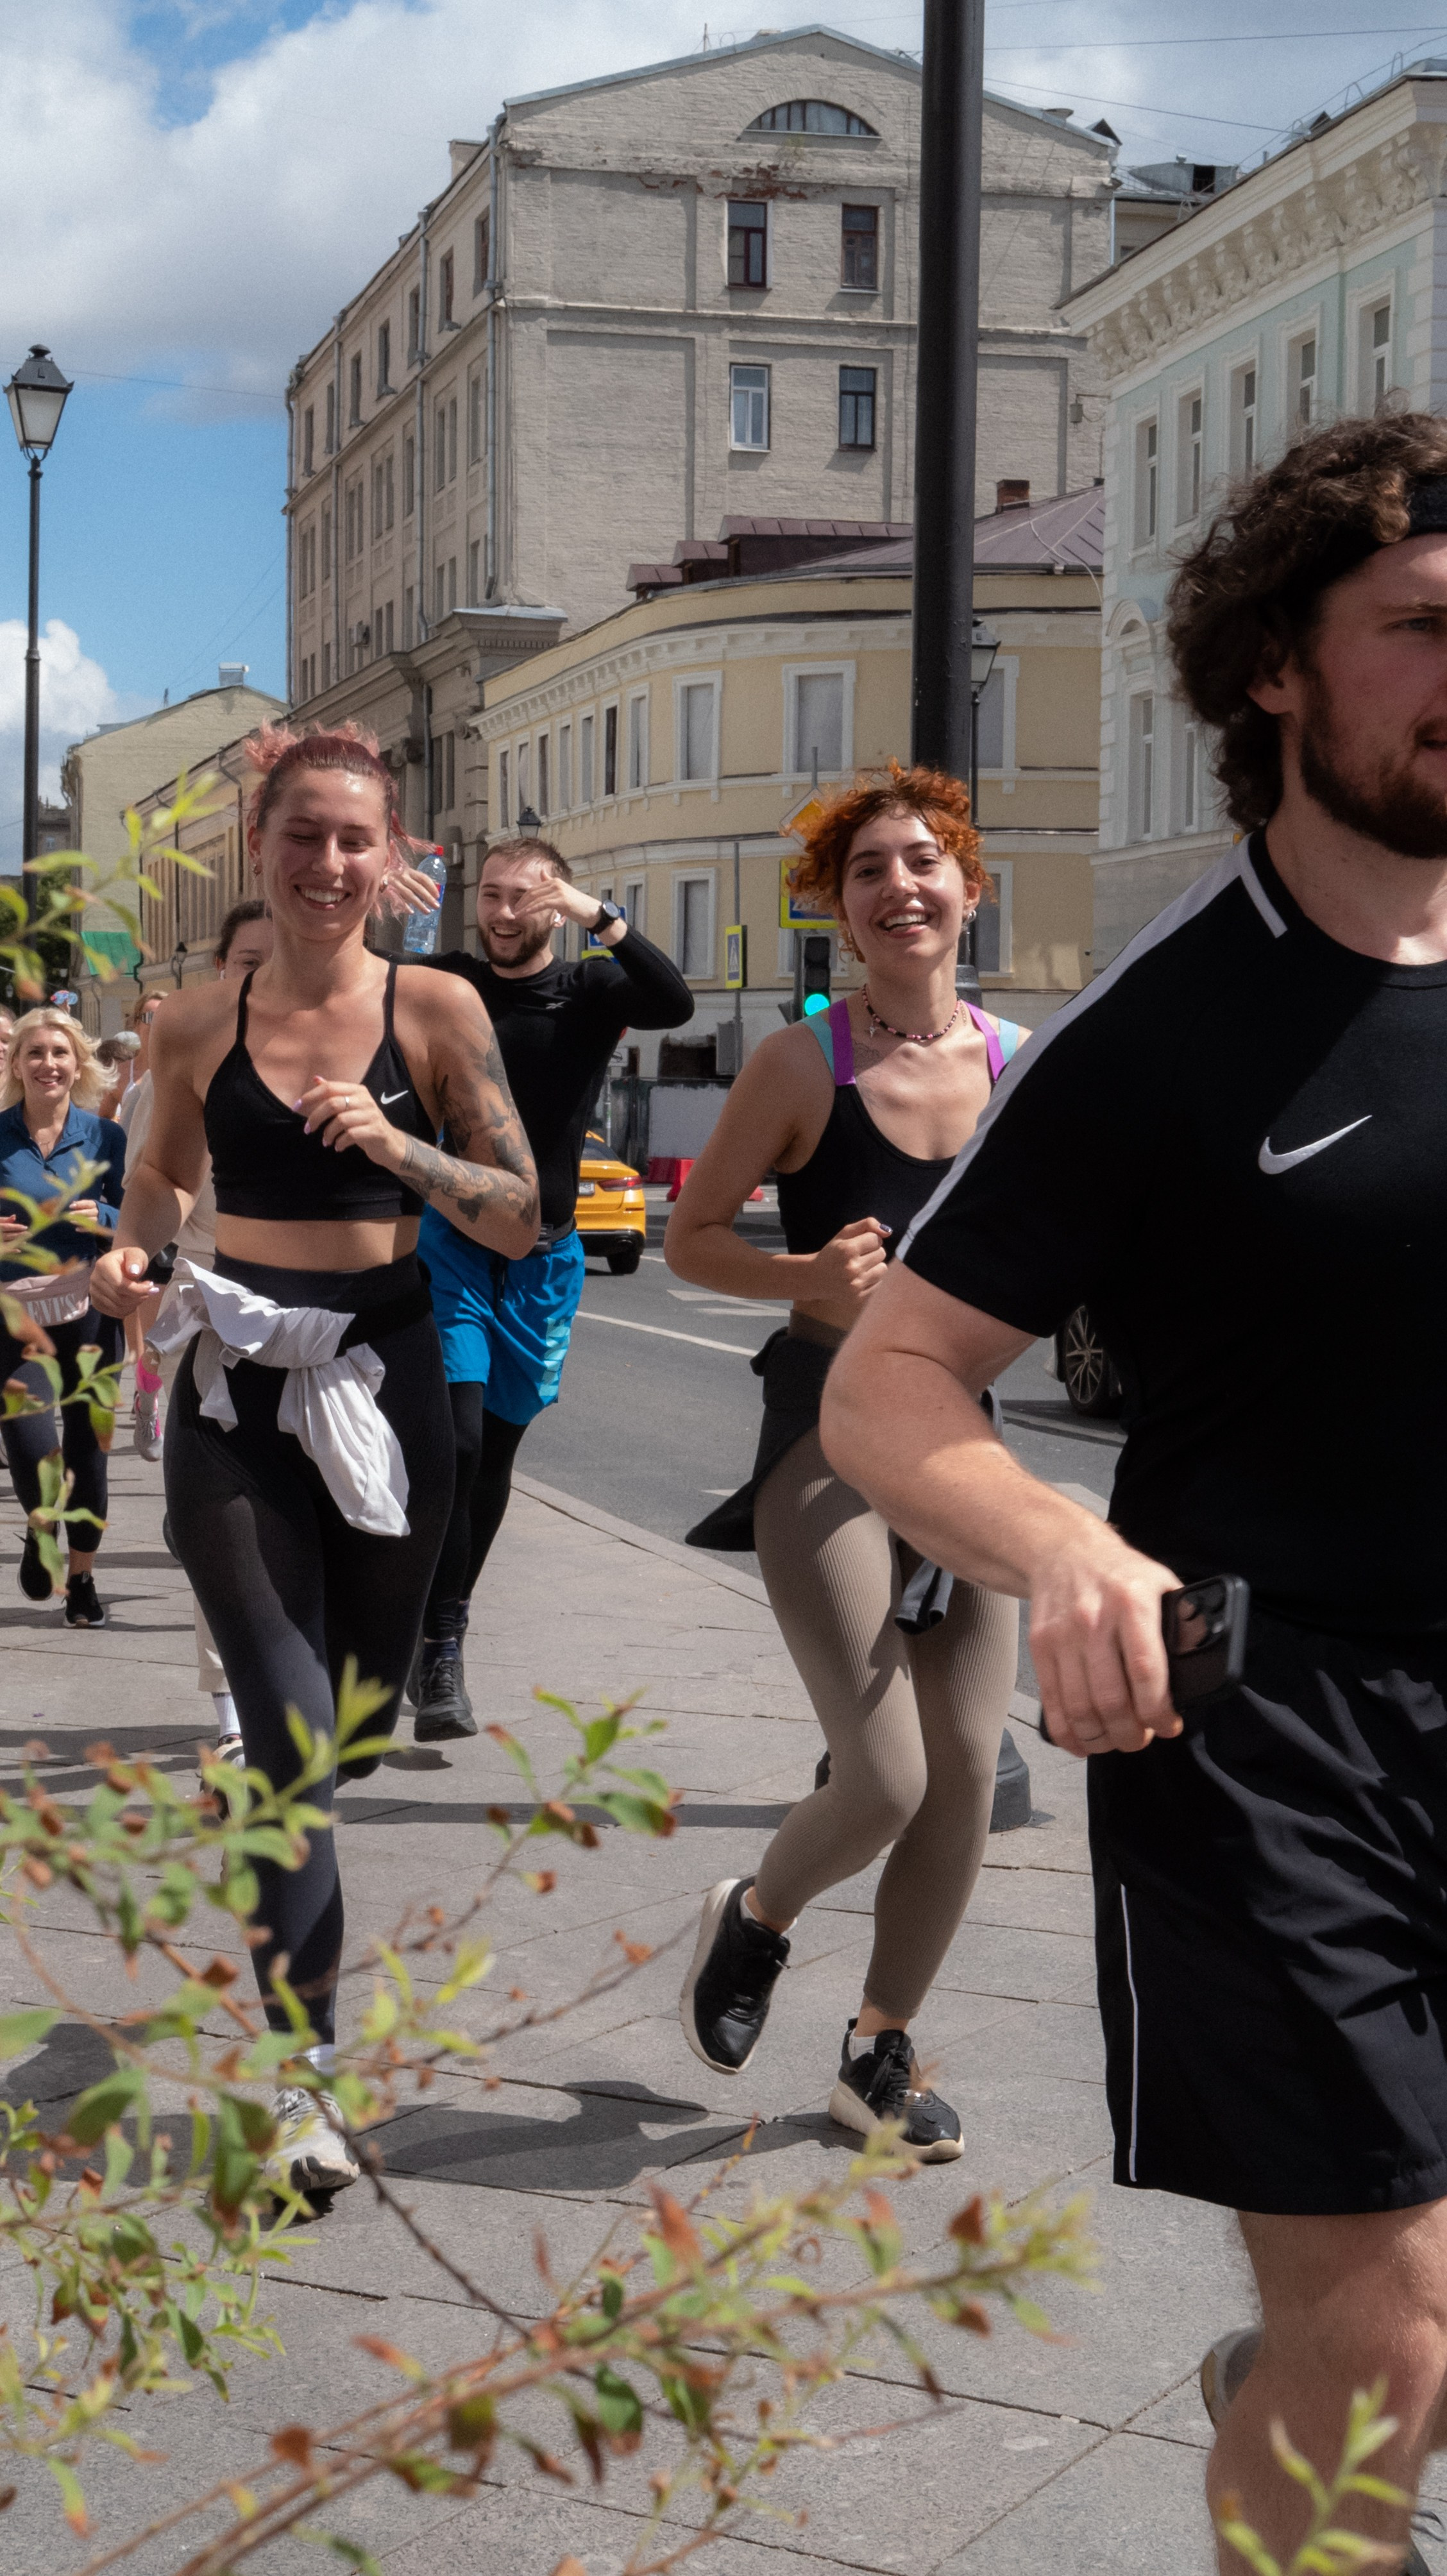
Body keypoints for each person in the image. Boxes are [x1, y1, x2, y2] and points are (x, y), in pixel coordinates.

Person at [822, 412, 1447, 2576]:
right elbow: (891, 1382)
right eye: (1419, 630)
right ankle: (1313, 2408)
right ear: (1273, 666)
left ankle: (1283, 2395)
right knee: (1383, 2343)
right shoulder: (1169, 1024)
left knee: (1391, 2351)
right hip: (1266, 1734)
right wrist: (1067, 1544)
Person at [90, 721, 538, 2199]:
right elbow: (160, 1173)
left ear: (395, 859)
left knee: (339, 1733)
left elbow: (520, 1211)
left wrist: (399, 1148)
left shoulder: (439, 1011)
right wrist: (131, 1254)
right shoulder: (191, 1020)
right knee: (287, 1745)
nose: (329, 863)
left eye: (357, 839)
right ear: (260, 847)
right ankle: (304, 2080)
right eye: (303, 834)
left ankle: (290, 1846)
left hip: (391, 1379)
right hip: (235, 1385)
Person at [667, 766, 1023, 2159]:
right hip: (820, 1437)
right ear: (839, 907)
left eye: (926, 863)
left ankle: (878, 2054)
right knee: (882, 1778)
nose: (901, 886)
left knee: (970, 1771)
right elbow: (694, 1239)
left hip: (962, 1451)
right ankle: (754, 1919)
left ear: (970, 891)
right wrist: (805, 1274)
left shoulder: (1017, 1064)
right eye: (870, 869)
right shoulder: (799, 1062)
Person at [409, 837, 693, 1741]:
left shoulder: (591, 991)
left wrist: (598, 919)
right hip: (454, 1243)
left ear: (556, 903)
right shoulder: (451, 982)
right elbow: (370, 985)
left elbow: (672, 999)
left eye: (522, 899)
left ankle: (440, 1629)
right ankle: (438, 1643)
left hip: (549, 1257)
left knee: (493, 1456)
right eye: (489, 896)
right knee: (452, 1442)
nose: (500, 913)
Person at [124, 899, 276, 1765]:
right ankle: (230, 1712)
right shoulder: (170, 1078)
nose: (258, 976)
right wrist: (146, 1352)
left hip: (319, 1323)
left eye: (274, 959)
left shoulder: (341, 1061)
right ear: (220, 969)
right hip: (209, 1312)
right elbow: (151, 1200)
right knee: (229, 1522)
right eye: (243, 960)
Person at [0, 1007, 126, 1626]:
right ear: (17, 1064)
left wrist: (102, 1221)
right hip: (16, 1325)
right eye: (35, 1053)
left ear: (78, 1064)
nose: (48, 1064)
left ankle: (81, 1579)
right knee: (32, 1448)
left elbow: (141, 1225)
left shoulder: (108, 1138)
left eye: (59, 1053)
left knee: (88, 1456)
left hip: (91, 1321)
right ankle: (40, 1527)